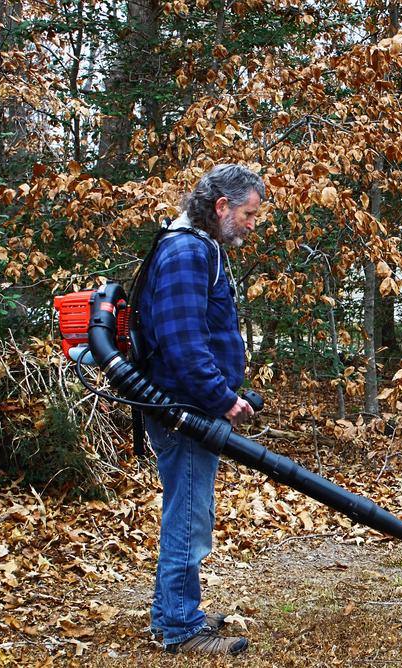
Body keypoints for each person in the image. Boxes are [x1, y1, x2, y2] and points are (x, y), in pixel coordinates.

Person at [135, 163, 264, 655]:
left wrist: (228, 393)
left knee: (189, 513)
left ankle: (175, 609)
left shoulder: (197, 247)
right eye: (249, 214)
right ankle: (179, 628)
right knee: (188, 518)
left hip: (188, 406)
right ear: (221, 206)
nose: (253, 224)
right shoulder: (187, 251)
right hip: (183, 410)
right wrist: (222, 399)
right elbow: (184, 345)